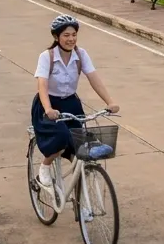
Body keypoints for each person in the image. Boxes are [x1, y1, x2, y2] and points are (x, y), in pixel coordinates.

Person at [32, 15, 119, 187]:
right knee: (62, 137)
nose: (71, 39)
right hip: (47, 105)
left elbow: (94, 78)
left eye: (73, 35)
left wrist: (110, 102)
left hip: (71, 103)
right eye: (66, 35)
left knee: (80, 144)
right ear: (57, 37)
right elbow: (42, 84)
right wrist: (48, 108)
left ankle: (80, 197)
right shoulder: (47, 57)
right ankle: (45, 166)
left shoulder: (80, 54)